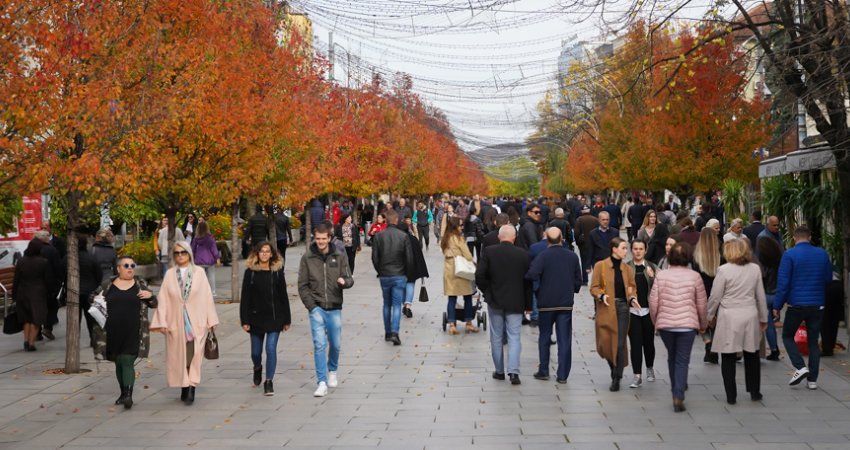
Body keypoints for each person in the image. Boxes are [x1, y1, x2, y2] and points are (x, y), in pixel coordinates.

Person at [150, 241, 220, 405]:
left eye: (183, 252)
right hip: (176, 321)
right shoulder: (169, 274)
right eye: (177, 253)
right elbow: (163, 299)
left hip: (197, 320)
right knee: (179, 356)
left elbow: (207, 297)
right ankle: (183, 385)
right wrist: (162, 320)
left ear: (189, 254)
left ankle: (191, 386)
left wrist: (211, 320)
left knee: (193, 354)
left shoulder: (199, 273)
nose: (180, 255)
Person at [91, 256, 157, 409]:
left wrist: (151, 296)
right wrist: (97, 299)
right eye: (126, 265)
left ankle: (128, 395)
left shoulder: (140, 284)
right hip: (111, 332)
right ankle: (122, 393)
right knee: (118, 362)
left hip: (133, 331)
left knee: (127, 361)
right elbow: (92, 298)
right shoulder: (108, 285)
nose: (130, 268)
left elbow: (154, 303)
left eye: (132, 265)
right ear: (118, 268)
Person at [649, 242, 708, 413]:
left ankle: (676, 388)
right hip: (687, 325)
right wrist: (703, 324)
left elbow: (653, 302)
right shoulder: (695, 277)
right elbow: (702, 304)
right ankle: (678, 394)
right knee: (682, 360)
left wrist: (656, 321)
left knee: (672, 357)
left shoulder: (662, 276)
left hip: (666, 325)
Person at [707, 239, 767, 404]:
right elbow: (760, 296)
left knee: (728, 356)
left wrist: (709, 315)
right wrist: (763, 317)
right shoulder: (754, 269)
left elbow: (715, 296)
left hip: (729, 316)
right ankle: (755, 391)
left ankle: (731, 395)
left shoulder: (723, 270)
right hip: (750, 314)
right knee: (752, 354)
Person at [773, 226, 832, 390]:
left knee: (787, 336)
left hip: (796, 304)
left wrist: (777, 306)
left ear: (794, 237)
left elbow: (783, 284)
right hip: (817, 303)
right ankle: (812, 380)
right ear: (810, 236)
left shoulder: (789, 255)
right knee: (813, 341)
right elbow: (828, 278)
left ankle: (800, 366)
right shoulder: (822, 253)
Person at [298, 224, 353, 397]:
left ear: (329, 238)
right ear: (315, 238)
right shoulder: (307, 258)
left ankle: (333, 370)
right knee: (319, 344)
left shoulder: (339, 255)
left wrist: (345, 282)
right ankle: (321, 381)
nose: (321, 241)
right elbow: (302, 285)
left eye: (324, 238)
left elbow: (349, 278)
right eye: (318, 238)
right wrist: (311, 307)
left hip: (335, 306)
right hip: (317, 307)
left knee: (335, 344)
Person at [475, 225, 532, 385]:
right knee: (514, 337)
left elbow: (479, 275)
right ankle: (513, 372)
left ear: (500, 237)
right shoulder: (523, 254)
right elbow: (528, 282)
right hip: (516, 300)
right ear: (514, 238)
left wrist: (487, 291)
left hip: (495, 300)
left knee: (496, 336)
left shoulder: (489, 252)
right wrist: (528, 305)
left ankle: (499, 371)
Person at [525, 228, 582, 383]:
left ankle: (544, 370)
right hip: (565, 303)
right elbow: (578, 279)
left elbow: (531, 274)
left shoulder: (543, 256)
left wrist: (538, 289)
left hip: (546, 303)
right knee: (564, 339)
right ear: (562, 239)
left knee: (544, 336)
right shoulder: (572, 256)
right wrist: (572, 289)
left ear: (547, 239)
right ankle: (562, 374)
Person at [240, 241, 291, 396]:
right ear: (257, 253)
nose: (264, 254)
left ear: (271, 254)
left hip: (275, 318)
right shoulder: (251, 272)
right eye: (261, 251)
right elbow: (245, 297)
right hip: (255, 318)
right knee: (256, 352)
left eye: (267, 251)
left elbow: (283, 295)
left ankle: (269, 381)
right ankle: (257, 368)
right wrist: (245, 320)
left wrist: (287, 319)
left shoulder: (277, 271)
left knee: (270, 349)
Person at [590, 237, 638, 391]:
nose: (626, 251)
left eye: (626, 248)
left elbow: (631, 287)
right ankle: (613, 367)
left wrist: (632, 298)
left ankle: (617, 376)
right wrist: (601, 295)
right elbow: (594, 287)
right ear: (614, 249)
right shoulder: (601, 266)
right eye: (623, 248)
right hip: (606, 307)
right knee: (605, 343)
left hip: (623, 307)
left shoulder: (627, 269)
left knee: (620, 343)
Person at [370, 210, 414, 346]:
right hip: (399, 274)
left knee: (386, 304)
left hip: (385, 275)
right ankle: (395, 332)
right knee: (396, 304)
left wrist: (380, 270)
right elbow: (409, 258)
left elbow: (374, 258)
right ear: (396, 220)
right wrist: (407, 273)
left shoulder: (378, 236)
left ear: (386, 220)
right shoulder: (403, 236)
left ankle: (388, 332)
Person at [626, 239, 658, 388]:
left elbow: (661, 288)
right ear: (631, 250)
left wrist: (652, 278)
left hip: (648, 312)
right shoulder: (626, 268)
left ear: (645, 250)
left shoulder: (652, 267)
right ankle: (637, 375)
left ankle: (650, 367)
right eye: (635, 249)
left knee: (649, 343)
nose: (638, 251)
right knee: (635, 343)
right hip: (633, 312)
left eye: (641, 249)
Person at [12, 240, 54, 351]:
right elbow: (48, 280)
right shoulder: (43, 262)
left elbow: (16, 279)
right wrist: (50, 293)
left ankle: (26, 340)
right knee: (36, 319)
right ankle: (31, 343)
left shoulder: (21, 261)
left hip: (23, 293)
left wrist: (14, 294)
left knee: (26, 318)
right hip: (38, 294)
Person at [441, 217, 478, 335]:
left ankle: (452, 323)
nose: (461, 227)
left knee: (452, 297)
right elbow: (466, 254)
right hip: (460, 269)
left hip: (449, 268)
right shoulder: (458, 238)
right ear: (455, 226)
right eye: (460, 225)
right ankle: (468, 322)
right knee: (467, 296)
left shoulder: (445, 238)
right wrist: (473, 261)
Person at [694, 226, 721, 364]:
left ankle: (708, 344)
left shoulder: (696, 256)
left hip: (701, 292)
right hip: (717, 292)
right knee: (716, 321)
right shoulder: (720, 254)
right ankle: (714, 349)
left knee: (703, 322)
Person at [756, 236, 783, 360]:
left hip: (765, 294)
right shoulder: (779, 260)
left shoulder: (761, 262)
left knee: (767, 324)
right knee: (771, 322)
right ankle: (774, 349)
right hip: (777, 293)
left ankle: (773, 349)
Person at [33, 230, 63, 340]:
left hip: (35, 284)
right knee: (51, 306)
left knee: (37, 307)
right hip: (49, 284)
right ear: (45, 238)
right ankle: (47, 327)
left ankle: (37, 332)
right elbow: (57, 267)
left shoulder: (32, 249)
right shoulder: (52, 250)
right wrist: (60, 281)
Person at [399, 215, 428, 319]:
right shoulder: (413, 239)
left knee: (402, 287)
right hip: (412, 268)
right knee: (410, 285)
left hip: (400, 268)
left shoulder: (398, 240)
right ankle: (408, 305)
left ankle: (404, 304)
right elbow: (419, 255)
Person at [77, 237, 104, 348]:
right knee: (91, 317)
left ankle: (74, 339)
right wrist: (95, 286)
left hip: (74, 292)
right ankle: (93, 339)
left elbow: (61, 271)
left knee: (75, 318)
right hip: (89, 291)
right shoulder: (91, 258)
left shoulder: (70, 258)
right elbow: (99, 274)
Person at [191, 221, 221, 298]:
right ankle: (213, 292)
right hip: (209, 260)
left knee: (200, 277)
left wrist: (192, 258)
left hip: (199, 260)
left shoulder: (196, 239)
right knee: (211, 276)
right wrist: (217, 258)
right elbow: (213, 249)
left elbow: (192, 249)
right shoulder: (210, 238)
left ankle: (200, 292)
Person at [588, 211, 619, 278]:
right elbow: (590, 249)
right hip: (598, 262)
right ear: (599, 220)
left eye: (607, 219)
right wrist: (588, 265)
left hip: (611, 261)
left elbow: (617, 248)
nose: (605, 221)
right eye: (603, 220)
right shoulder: (593, 233)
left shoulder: (615, 232)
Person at [574, 207, 599, 284]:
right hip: (594, 243)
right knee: (595, 262)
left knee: (584, 261)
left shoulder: (579, 220)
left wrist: (577, 242)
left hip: (583, 244)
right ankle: (597, 279)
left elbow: (576, 233)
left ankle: (585, 280)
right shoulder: (595, 219)